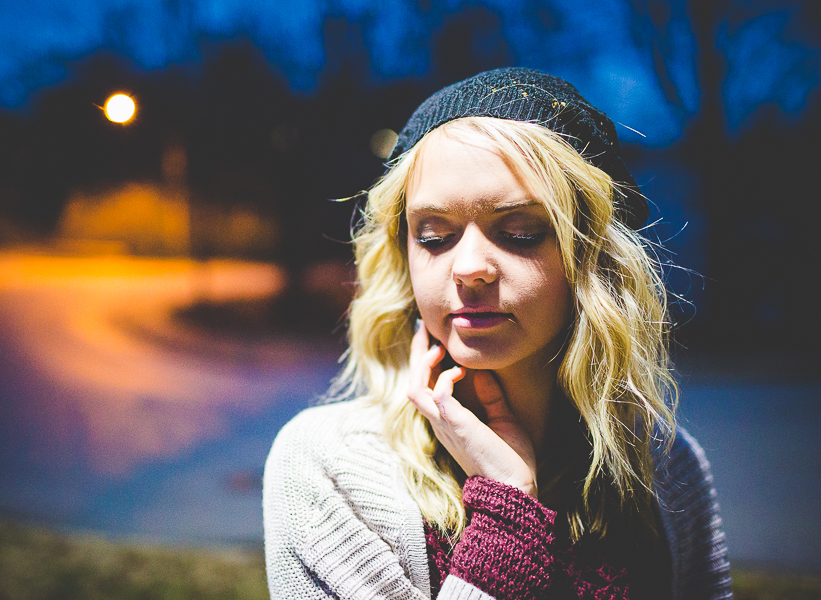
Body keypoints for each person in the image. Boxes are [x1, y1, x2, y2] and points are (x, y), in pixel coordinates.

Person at [263, 67, 731, 600]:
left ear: (591, 257)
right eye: (433, 236)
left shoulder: (665, 466)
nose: (469, 268)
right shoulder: (327, 465)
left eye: (519, 233)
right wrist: (507, 518)